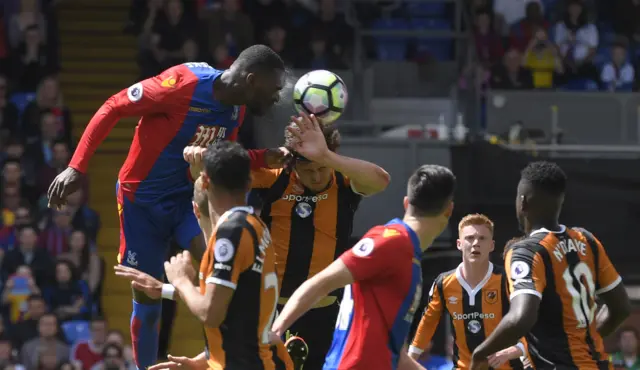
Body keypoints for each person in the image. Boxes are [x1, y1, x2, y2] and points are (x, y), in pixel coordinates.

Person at [47, 44, 289, 370]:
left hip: (187, 201)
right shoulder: (183, 83)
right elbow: (113, 106)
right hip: (141, 204)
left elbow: (220, 160)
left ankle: (220, 361)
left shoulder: (237, 108)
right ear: (251, 79)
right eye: (274, 90)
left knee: (217, 273)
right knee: (146, 302)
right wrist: (77, 167)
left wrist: (263, 157)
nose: (276, 99)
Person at [114, 141, 293, 370]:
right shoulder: (254, 225)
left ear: (206, 181)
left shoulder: (231, 233)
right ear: (249, 183)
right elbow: (237, 302)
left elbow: (211, 313)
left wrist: (180, 279)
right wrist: (166, 290)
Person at [271, 164, 457, 370]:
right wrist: (277, 331)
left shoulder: (409, 256)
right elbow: (320, 283)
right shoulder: (391, 241)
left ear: (406, 204)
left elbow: (396, 354)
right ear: (449, 210)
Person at [244, 113, 388, 370]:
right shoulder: (275, 178)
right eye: (308, 170)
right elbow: (224, 174)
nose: (317, 176)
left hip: (324, 310)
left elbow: (381, 180)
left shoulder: (344, 182)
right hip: (271, 307)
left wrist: (325, 156)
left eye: (322, 168)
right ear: (292, 164)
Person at [470, 161, 631, 370]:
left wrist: (480, 353)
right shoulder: (587, 241)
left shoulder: (526, 251)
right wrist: (581, 342)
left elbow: (521, 317)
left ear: (523, 202)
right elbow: (621, 307)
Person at [409, 214, 532, 370]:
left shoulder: (507, 280)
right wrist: (409, 359)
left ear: (492, 245)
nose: (475, 243)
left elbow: (530, 326)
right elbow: (428, 324)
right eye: (469, 238)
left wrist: (511, 352)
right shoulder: (443, 283)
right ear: (459, 244)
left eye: (482, 238)